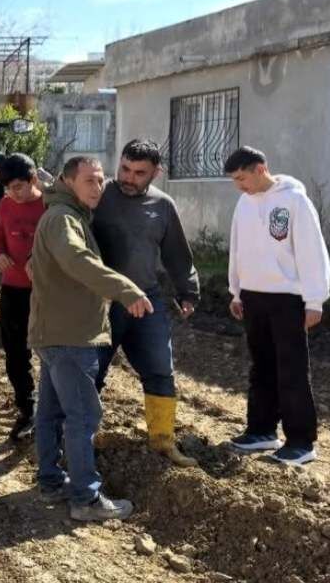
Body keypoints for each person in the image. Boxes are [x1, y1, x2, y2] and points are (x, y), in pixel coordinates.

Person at [29, 156, 151, 522]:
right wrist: (125, 289)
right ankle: (86, 498)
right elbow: (77, 260)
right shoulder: (64, 219)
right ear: (68, 181)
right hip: (71, 336)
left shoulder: (65, 215)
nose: (98, 187)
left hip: (56, 333)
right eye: (89, 180)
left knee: (51, 413)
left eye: (100, 180)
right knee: (82, 416)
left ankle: (51, 482)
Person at [91, 139, 201, 468]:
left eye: (139, 173)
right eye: (125, 168)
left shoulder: (163, 206)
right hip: (101, 300)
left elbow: (177, 254)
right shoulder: (98, 195)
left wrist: (188, 291)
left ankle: (163, 441)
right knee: (91, 372)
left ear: (156, 172)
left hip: (146, 299)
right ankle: (80, 441)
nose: (129, 177)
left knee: (160, 370)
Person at [223, 146, 330, 466]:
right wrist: (236, 292)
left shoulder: (295, 201)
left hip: (287, 298)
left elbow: (312, 251)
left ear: (260, 169)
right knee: (261, 367)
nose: (238, 186)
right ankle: (261, 431)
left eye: (241, 178)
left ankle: (301, 442)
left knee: (291, 369)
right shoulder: (244, 203)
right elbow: (237, 249)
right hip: (253, 296)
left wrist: (314, 300)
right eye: (234, 180)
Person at [0, 153, 46, 443]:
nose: (13, 194)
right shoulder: (4, 205)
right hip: (13, 288)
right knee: (15, 352)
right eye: (8, 189)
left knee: (51, 351)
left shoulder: (49, 205)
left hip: (47, 292)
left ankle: (54, 411)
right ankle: (27, 409)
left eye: (18, 187)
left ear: (33, 179)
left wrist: (41, 260)